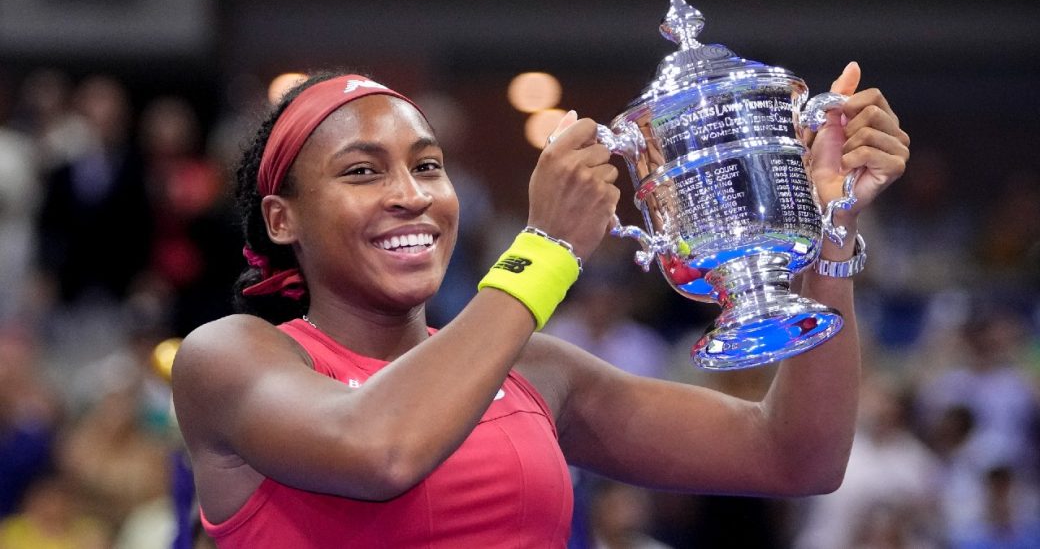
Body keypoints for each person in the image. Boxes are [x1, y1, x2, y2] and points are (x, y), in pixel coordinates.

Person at [171, 63, 909, 547]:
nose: (410, 195)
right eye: (362, 171)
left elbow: (796, 456)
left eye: (427, 166)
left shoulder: (535, 370)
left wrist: (831, 230)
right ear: (282, 220)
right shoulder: (229, 357)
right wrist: (546, 249)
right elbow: (381, 450)